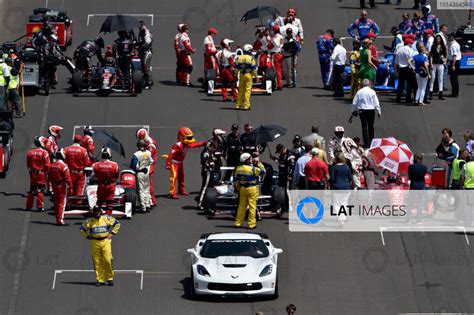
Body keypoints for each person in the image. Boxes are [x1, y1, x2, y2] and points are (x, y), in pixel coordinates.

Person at [80, 206, 121, 287]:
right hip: (94, 242)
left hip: (105, 241)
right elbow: (82, 229)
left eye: (98, 211)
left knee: (108, 260)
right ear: (93, 212)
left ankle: (110, 278)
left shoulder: (106, 218)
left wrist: (112, 233)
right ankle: (100, 279)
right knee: (97, 261)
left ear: (100, 211)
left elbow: (117, 224)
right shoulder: (89, 221)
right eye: (95, 211)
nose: (97, 213)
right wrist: (87, 236)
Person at [165, 127, 206, 199]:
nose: (190, 139)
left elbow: (194, 145)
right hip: (174, 163)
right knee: (174, 177)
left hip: (180, 163)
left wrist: (203, 143)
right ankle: (172, 193)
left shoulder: (186, 144)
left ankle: (181, 190)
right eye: (189, 138)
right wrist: (168, 164)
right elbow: (171, 154)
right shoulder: (178, 145)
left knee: (181, 177)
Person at [234, 153, 265, 229]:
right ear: (246, 160)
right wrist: (258, 163)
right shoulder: (252, 169)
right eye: (250, 158)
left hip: (242, 189)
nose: (251, 160)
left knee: (241, 207)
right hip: (252, 188)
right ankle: (251, 224)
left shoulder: (238, 168)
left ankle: (238, 223)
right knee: (252, 207)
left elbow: (236, 177)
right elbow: (263, 171)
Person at [351, 79, 381, 148]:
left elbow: (354, 103)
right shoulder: (372, 91)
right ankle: (372, 142)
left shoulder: (359, 92)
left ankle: (366, 143)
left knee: (364, 127)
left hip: (363, 111)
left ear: (362, 84)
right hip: (371, 110)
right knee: (371, 126)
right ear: (369, 84)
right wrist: (379, 111)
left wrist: (353, 111)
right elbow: (376, 102)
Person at [26, 136, 51, 211]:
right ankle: (39, 206)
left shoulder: (30, 152)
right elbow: (47, 165)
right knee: (40, 190)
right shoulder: (44, 153)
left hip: (33, 173)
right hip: (41, 173)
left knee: (32, 190)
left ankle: (28, 206)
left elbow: (28, 164)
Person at [64, 135, 91, 201]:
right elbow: (87, 163)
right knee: (79, 190)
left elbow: (64, 161)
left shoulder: (66, 149)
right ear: (80, 141)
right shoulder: (83, 151)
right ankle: (78, 205)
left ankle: (69, 204)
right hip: (80, 174)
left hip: (70, 173)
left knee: (70, 189)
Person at [93, 148, 119, 215]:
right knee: (109, 202)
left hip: (101, 185)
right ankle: (108, 217)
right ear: (109, 155)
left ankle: (97, 216)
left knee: (99, 202)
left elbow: (95, 175)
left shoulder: (96, 165)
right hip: (111, 185)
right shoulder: (115, 165)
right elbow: (117, 176)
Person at [49, 149, 73, 226]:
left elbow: (49, 176)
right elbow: (67, 178)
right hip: (61, 186)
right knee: (62, 203)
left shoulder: (52, 165)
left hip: (54, 185)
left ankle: (57, 218)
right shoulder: (64, 166)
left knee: (56, 202)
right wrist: (70, 187)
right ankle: (60, 220)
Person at [136, 128, 158, 208]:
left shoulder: (151, 145)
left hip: (149, 163)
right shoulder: (147, 141)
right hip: (147, 162)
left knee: (148, 183)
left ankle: (151, 201)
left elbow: (147, 155)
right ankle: (150, 201)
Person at [130, 140, 154, 212]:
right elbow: (151, 161)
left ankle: (143, 207)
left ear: (138, 146)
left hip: (139, 173)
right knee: (146, 189)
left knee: (141, 190)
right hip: (146, 172)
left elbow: (133, 166)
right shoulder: (149, 153)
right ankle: (148, 204)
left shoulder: (136, 154)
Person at [197, 141, 221, 210]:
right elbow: (202, 161)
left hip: (210, 172)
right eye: (214, 148)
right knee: (205, 187)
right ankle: (200, 203)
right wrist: (209, 160)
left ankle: (206, 203)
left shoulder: (210, 152)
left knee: (210, 187)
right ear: (211, 147)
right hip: (207, 172)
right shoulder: (206, 153)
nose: (214, 150)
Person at [235, 44, 257, 110]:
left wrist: (235, 75)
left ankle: (238, 105)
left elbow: (236, 69)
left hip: (242, 75)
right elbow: (254, 69)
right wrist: (256, 76)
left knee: (240, 91)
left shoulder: (238, 58)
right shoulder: (251, 59)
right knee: (247, 91)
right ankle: (246, 106)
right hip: (249, 75)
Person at [395, 38, 417, 103]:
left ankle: (398, 98)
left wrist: (396, 69)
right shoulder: (410, 50)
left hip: (401, 68)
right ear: (409, 43)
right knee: (409, 84)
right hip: (408, 68)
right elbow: (411, 60)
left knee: (400, 84)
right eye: (411, 43)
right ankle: (408, 98)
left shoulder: (398, 50)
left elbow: (396, 62)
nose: (412, 45)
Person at [429, 34, 447, 100]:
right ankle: (430, 93)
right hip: (434, 63)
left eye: (439, 39)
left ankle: (440, 94)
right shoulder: (433, 46)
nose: (438, 40)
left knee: (440, 79)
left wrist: (445, 60)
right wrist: (430, 64)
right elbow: (431, 56)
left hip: (441, 64)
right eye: (437, 39)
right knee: (432, 78)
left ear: (441, 40)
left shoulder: (443, 46)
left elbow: (445, 54)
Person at [138, 21, 153, 89]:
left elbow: (147, 42)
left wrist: (140, 48)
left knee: (145, 67)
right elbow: (141, 41)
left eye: (140, 27)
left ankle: (148, 83)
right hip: (143, 52)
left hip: (147, 52)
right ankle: (147, 81)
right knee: (144, 67)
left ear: (143, 26)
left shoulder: (146, 32)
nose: (139, 28)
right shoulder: (141, 32)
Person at [268, 25, 284, 90]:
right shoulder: (281, 37)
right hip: (280, 54)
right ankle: (279, 83)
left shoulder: (274, 38)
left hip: (275, 55)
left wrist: (270, 40)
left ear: (274, 30)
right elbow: (281, 45)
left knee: (275, 70)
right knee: (279, 69)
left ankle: (278, 84)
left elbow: (272, 45)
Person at [447, 33, 461, 98]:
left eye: (449, 37)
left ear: (452, 37)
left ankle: (455, 93)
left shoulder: (453, 45)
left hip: (454, 62)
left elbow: (454, 56)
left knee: (454, 78)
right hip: (455, 62)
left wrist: (453, 65)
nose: (448, 38)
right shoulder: (454, 44)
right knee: (453, 78)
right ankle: (454, 92)